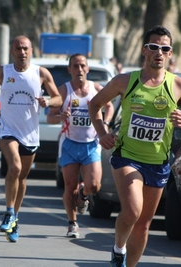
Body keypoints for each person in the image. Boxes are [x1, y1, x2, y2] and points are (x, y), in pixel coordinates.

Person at [88, 25, 181, 267]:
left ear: (170, 53)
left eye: (164, 48)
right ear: (144, 50)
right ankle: (118, 248)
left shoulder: (180, 86)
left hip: (159, 162)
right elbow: (94, 105)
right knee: (132, 211)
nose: (159, 52)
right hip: (126, 156)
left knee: (143, 223)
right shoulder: (125, 81)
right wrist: (102, 133)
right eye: (154, 47)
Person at [0, 35, 62, 242]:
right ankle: (9, 212)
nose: (22, 52)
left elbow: (59, 98)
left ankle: (15, 218)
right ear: (12, 51)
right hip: (7, 128)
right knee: (15, 168)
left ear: (31, 51)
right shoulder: (3, 71)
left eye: (26, 49)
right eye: (18, 49)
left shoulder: (41, 73)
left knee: (22, 178)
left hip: (30, 133)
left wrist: (48, 100)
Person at [47, 53, 114, 238]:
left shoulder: (96, 89)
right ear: (70, 69)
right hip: (69, 143)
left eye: (82, 66)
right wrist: (60, 117)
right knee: (70, 187)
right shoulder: (63, 91)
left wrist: (105, 123)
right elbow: (49, 116)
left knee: (94, 186)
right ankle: (72, 224)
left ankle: (84, 196)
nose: (79, 70)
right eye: (75, 66)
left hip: (91, 144)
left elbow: (110, 106)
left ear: (87, 68)